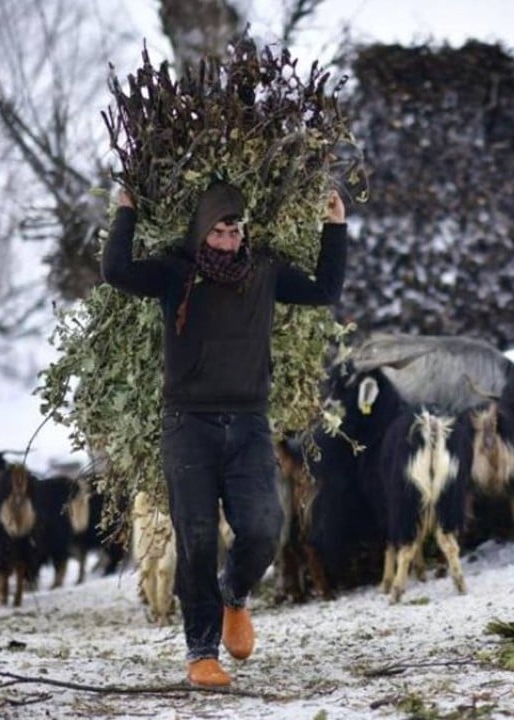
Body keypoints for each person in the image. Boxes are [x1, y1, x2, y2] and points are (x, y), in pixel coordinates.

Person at [102, 180, 347, 688]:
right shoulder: (175, 273)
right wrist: (125, 212)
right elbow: (117, 272)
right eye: (218, 230)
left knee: (263, 527)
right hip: (187, 424)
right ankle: (201, 653)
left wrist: (335, 225)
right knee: (195, 538)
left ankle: (234, 594)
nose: (229, 240)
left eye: (236, 230)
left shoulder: (264, 273)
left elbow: (324, 290)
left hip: (249, 424)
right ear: (200, 231)